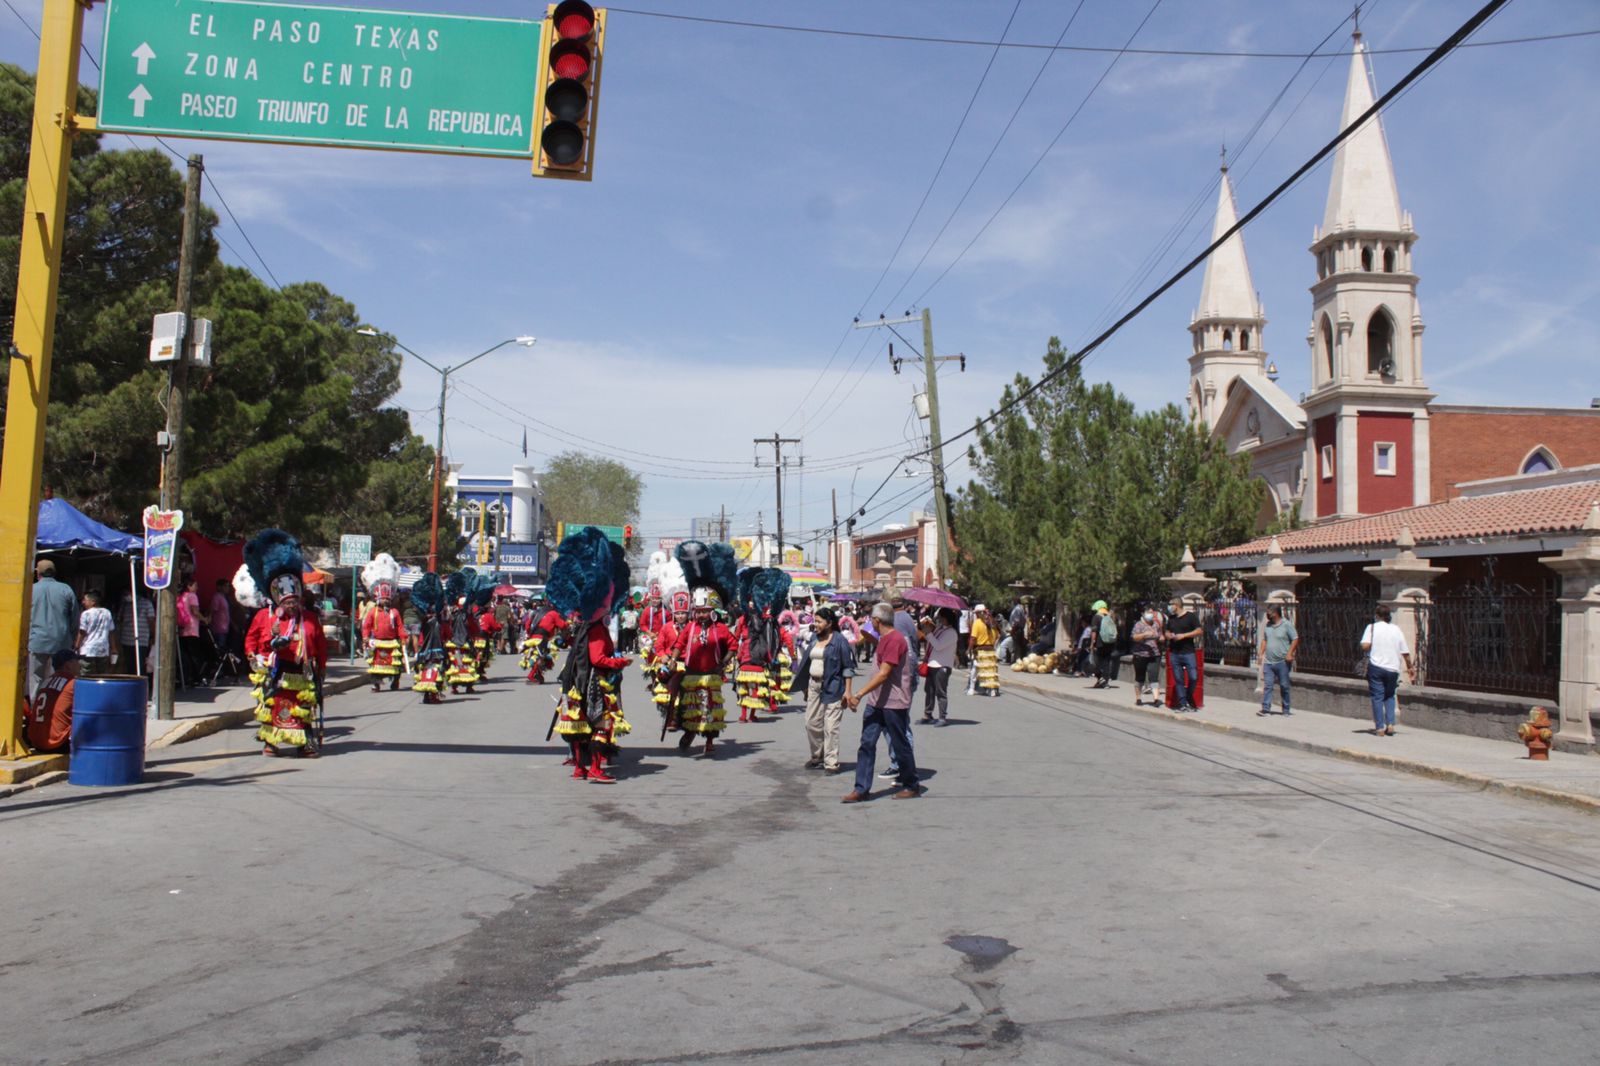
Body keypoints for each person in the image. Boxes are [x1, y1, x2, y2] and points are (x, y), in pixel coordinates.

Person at [549, 527, 633, 783]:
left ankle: (579, 768)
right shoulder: (596, 630)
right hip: (594, 683)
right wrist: (621, 662)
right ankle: (595, 769)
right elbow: (598, 660)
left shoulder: (585, 628)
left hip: (575, 681)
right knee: (600, 724)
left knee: (577, 726)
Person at [242, 530, 327, 758]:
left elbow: (319, 643)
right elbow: (251, 640)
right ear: (279, 599)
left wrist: (322, 667)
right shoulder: (265, 617)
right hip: (275, 670)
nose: (291, 605)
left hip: (303, 670)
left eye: (294, 601)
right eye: (287, 602)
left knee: (303, 709)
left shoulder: (309, 618)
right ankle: (271, 743)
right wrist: (253, 655)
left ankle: (304, 744)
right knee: (273, 708)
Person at [842, 602, 920, 802]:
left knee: (900, 743)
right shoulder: (883, 638)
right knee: (866, 743)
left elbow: (884, 673)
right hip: (876, 702)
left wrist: (858, 694)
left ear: (877, 620)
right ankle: (861, 788)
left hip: (894, 703)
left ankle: (911, 784)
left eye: (871, 619)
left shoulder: (895, 640)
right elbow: (863, 638)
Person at [792, 607, 854, 773]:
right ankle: (817, 756)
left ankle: (831, 762)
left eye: (819, 621)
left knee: (831, 727)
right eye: (815, 621)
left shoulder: (840, 640)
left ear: (829, 623)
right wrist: (804, 686)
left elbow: (848, 668)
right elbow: (806, 662)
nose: (816, 624)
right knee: (811, 723)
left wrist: (848, 692)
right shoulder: (814, 638)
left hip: (834, 687)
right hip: (814, 687)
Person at [28, 558, 78, 699]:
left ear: (38, 574)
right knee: (60, 678)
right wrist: (72, 638)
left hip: (37, 641)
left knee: (36, 679)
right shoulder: (66, 589)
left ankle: (36, 710)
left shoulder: (31, 589)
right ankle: (57, 707)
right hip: (61, 642)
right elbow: (75, 618)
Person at [1361, 604, 1413, 736]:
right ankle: (1390, 724)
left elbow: (1365, 646)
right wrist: (1410, 667)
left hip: (1376, 667)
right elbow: (1405, 651)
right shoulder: (1396, 629)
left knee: (1377, 697)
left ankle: (1379, 727)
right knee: (1390, 696)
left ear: (1377, 615)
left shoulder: (1371, 627)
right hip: (1393, 668)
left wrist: (1373, 644)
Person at [359, 554, 405, 692]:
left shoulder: (395, 612)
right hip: (377, 642)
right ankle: (376, 684)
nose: (385, 601)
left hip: (392, 642)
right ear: (378, 599)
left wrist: (403, 638)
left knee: (395, 665)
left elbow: (399, 626)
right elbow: (366, 625)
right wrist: (366, 637)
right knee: (376, 665)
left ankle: (395, 682)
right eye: (383, 599)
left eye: (387, 599)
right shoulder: (373, 612)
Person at [25, 649, 82, 753]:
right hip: (57, 743)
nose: (80, 665)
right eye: (77, 661)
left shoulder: (46, 681)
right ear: (68, 665)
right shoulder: (73, 683)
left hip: (36, 742)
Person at [1258, 605, 1299, 717]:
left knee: (1284, 686)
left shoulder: (1286, 625)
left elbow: (1295, 638)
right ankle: (1266, 709)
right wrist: (1261, 654)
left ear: (1276, 613)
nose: (1268, 614)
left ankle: (1286, 710)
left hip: (1282, 662)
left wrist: (1290, 653)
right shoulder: (1268, 625)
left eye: (1269, 612)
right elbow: (1265, 640)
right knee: (1268, 685)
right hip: (1269, 661)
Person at [1165, 597, 1204, 712]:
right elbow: (1166, 631)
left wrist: (1184, 635)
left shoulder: (1190, 617)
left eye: (1170, 604)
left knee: (1193, 676)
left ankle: (1188, 695)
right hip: (1175, 653)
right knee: (1178, 679)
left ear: (1176, 605)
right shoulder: (1171, 618)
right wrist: (1169, 635)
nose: (1169, 607)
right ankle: (1182, 703)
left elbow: (1199, 631)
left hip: (1188, 652)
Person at [921, 609, 957, 726]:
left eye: (941, 617)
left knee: (941, 692)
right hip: (932, 663)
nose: (939, 619)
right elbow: (930, 641)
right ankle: (928, 713)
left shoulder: (951, 633)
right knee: (929, 691)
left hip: (942, 665)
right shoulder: (940, 629)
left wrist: (930, 634)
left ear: (946, 618)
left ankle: (942, 717)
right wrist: (927, 630)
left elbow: (938, 646)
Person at [74, 590, 116, 676]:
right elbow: (111, 631)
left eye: (85, 600)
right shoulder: (107, 612)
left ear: (93, 602)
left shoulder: (86, 614)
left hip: (88, 649)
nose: (83, 602)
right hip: (103, 649)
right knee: (102, 674)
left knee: (86, 673)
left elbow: (82, 631)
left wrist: (77, 645)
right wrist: (113, 648)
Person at [117, 587, 156, 676]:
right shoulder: (125, 605)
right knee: (129, 665)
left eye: (127, 594)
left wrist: (154, 636)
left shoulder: (146, 603)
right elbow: (120, 619)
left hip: (141, 640)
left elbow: (151, 621)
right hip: (126, 639)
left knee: (140, 665)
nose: (126, 596)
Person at [1130, 606, 1162, 705]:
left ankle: (1156, 699)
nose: (1151, 614)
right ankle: (1138, 698)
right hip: (1140, 655)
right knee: (1140, 677)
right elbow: (1134, 637)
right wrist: (1144, 635)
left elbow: (1160, 635)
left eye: (1152, 612)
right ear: (1143, 614)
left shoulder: (1156, 624)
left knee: (1154, 677)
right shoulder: (1138, 625)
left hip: (1154, 654)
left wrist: (1161, 638)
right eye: (1149, 612)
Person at [967, 604, 1000, 696]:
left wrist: (969, 649)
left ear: (977, 613)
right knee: (990, 670)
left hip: (980, 650)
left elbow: (973, 638)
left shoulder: (977, 623)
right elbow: (997, 636)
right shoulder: (993, 623)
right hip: (991, 650)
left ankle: (971, 688)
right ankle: (992, 690)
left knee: (975, 669)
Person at [1091, 600, 1120, 689]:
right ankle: (1105, 682)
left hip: (1100, 643)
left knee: (1095, 662)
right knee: (1106, 663)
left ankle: (1101, 679)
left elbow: (1094, 631)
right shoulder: (1110, 616)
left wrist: (1092, 643)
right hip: (1109, 643)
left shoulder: (1096, 617)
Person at [208, 578, 233, 658]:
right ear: (219, 587)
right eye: (225, 586)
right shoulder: (217, 597)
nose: (227, 588)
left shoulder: (224, 598)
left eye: (228, 586)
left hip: (225, 628)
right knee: (219, 650)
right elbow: (212, 610)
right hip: (218, 628)